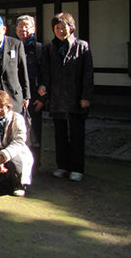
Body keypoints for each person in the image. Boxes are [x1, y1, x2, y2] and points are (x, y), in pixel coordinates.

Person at [38, 12, 93, 182]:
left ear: (72, 27)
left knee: (77, 134)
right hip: (57, 97)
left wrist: (86, 96)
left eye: (64, 27)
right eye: (57, 28)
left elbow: (88, 74)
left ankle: (77, 168)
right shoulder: (49, 48)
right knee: (60, 134)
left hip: (76, 97)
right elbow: (45, 71)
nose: (61, 31)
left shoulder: (82, 46)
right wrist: (43, 86)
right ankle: (62, 165)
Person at [0, 90, 34, 197]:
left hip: (16, 153)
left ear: (8, 107)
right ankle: (1, 181)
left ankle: (19, 184)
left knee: (14, 162)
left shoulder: (18, 119)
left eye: (2, 107)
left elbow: (19, 141)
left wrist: (3, 157)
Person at [15, 15, 45, 168]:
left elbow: (46, 74)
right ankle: (19, 162)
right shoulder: (11, 46)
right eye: (20, 26)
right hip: (16, 97)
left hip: (34, 97)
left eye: (27, 26)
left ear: (33, 29)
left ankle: (35, 164)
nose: (23, 29)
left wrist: (43, 99)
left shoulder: (40, 49)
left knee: (34, 131)